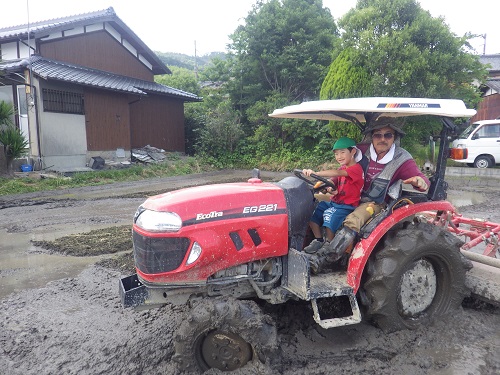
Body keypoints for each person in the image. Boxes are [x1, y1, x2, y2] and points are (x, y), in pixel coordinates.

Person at [308, 117, 430, 274]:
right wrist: (330, 184)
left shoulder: (402, 159)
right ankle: (315, 240)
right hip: (351, 196)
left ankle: (326, 256)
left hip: (375, 202)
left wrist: (420, 181)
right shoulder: (360, 150)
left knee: (354, 220)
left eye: (388, 135)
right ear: (371, 136)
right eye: (378, 135)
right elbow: (343, 170)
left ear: (395, 137)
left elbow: (421, 178)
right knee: (314, 202)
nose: (382, 139)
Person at [301, 137, 364, 258]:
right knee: (312, 212)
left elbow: (337, 173)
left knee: (329, 215)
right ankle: (319, 240)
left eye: (342, 152)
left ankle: (331, 247)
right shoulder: (342, 167)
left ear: (353, 152)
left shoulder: (356, 169)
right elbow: (332, 180)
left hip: (347, 205)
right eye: (336, 153)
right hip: (334, 202)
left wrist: (316, 173)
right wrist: (329, 188)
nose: (339, 156)